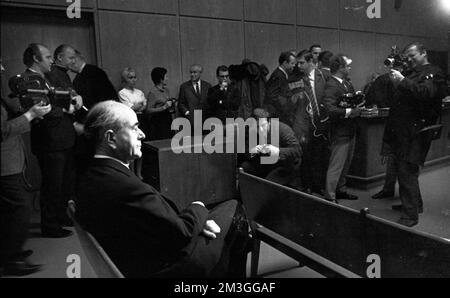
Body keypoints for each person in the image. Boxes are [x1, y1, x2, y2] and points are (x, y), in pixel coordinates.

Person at [76, 101, 250, 278]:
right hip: (171, 267)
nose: (142, 134)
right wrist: (198, 207)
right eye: (134, 128)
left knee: (227, 222)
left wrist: (198, 222)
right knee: (235, 209)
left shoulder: (92, 176)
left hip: (139, 256)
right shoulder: (125, 187)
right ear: (111, 138)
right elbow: (182, 231)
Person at [12, 43, 80, 238]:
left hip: (62, 139)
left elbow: (54, 101)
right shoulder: (28, 80)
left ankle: (59, 216)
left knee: (63, 183)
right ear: (36, 58)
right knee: (52, 185)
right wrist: (67, 109)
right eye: (48, 57)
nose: (52, 60)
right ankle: (50, 225)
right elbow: (40, 109)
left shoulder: (44, 79)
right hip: (50, 142)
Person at [383, 42, 446, 227]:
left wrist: (402, 81)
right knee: (408, 170)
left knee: (406, 171)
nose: (409, 60)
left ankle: (410, 215)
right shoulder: (412, 73)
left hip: (416, 131)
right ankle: (414, 205)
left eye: (413, 56)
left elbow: (426, 93)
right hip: (404, 130)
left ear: (424, 53)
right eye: (407, 57)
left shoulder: (434, 72)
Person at [1, 60, 51, 276]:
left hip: (11, 162)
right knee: (21, 208)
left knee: (10, 212)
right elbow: (2, 131)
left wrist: (29, 112)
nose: (3, 69)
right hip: (4, 166)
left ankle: (12, 252)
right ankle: (12, 259)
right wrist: (30, 116)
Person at [323, 54, 363, 203]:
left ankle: (341, 189)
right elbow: (329, 110)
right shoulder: (332, 85)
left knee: (345, 164)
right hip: (340, 132)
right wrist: (350, 112)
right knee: (336, 165)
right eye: (347, 66)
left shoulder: (346, 83)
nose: (349, 68)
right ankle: (330, 196)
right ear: (340, 68)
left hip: (349, 130)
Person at [293, 50, 330, 196]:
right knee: (307, 156)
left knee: (320, 155)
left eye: (302, 63)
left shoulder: (323, 76)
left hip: (321, 121)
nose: (299, 66)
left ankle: (319, 185)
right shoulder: (297, 79)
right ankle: (307, 185)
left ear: (310, 62)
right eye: (298, 63)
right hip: (305, 124)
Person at [240, 108, 302, 186]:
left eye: (263, 126)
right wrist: (253, 151)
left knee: (268, 183)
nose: (261, 130)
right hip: (266, 163)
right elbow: (245, 150)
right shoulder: (253, 132)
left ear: (269, 122)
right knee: (245, 167)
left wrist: (277, 150)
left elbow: (297, 150)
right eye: (257, 127)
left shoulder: (283, 129)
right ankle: (243, 197)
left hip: (285, 165)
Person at [118, 67, 147, 179]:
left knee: (141, 147)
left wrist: (137, 105)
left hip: (141, 119)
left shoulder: (140, 92)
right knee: (132, 147)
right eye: (130, 77)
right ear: (125, 79)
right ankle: (132, 173)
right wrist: (138, 105)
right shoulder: (122, 93)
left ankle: (139, 173)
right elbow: (130, 108)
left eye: (135, 77)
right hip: (130, 121)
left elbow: (144, 106)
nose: (133, 80)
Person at [264, 51, 297, 127]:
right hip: (277, 114)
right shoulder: (278, 75)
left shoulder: (281, 74)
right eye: (292, 63)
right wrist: (284, 107)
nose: (294, 65)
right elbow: (272, 95)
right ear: (285, 63)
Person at [178, 64, 212, 131]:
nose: (192, 74)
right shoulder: (184, 87)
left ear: (200, 73)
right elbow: (181, 103)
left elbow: (210, 102)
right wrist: (187, 113)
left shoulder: (207, 86)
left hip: (205, 120)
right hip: (190, 121)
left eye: (195, 72)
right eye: (191, 72)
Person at [145, 67, 175, 141]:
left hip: (168, 119)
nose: (167, 78)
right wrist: (163, 107)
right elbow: (148, 110)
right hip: (158, 122)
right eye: (166, 77)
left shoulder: (166, 90)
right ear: (161, 79)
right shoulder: (153, 92)